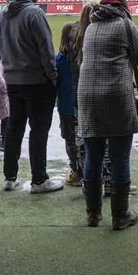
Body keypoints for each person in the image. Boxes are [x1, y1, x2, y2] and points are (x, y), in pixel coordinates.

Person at [76, 0, 138, 229]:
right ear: (123, 8)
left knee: (93, 156)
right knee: (119, 157)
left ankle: (92, 214)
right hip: (116, 95)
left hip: (87, 96)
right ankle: (120, 215)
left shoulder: (90, 27)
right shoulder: (126, 25)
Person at [0, 0, 63, 193]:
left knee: (14, 128)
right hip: (37, 81)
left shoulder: (1, 15)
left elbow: (1, 49)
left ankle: (9, 177)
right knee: (38, 130)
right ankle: (39, 179)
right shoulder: (35, 13)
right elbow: (46, 50)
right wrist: (53, 76)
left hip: (12, 80)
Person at [56, 19, 83, 186]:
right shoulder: (81, 58)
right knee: (82, 140)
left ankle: (75, 172)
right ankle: (83, 171)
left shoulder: (59, 59)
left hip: (65, 107)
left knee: (70, 140)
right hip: (79, 106)